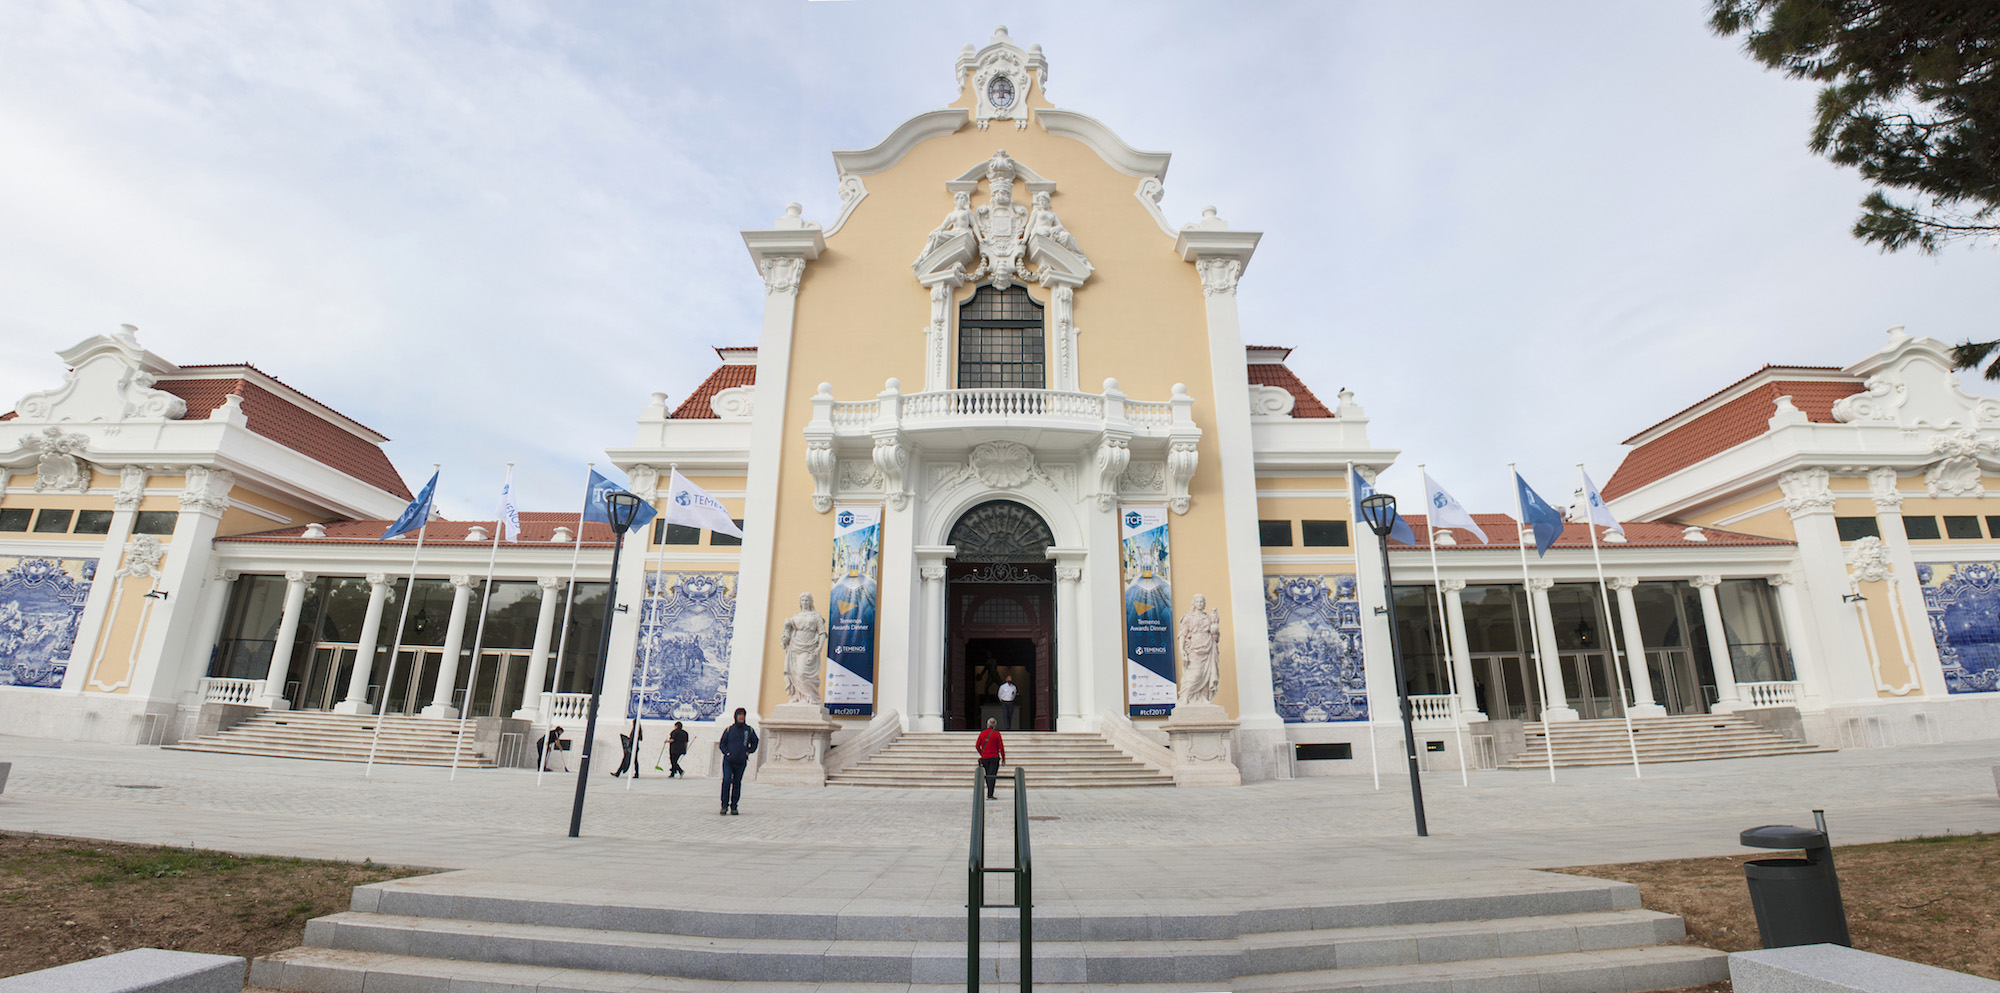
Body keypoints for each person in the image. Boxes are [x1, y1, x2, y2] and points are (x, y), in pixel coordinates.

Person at [717, 707, 758, 815]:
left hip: (741, 762)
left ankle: (734, 806)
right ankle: (724, 805)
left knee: (737, 783)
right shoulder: (729, 729)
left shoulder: (748, 730)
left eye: (743, 715)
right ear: (735, 716)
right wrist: (727, 753)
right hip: (729, 761)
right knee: (726, 781)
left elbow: (755, 742)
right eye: (739, 714)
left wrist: (749, 751)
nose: (741, 717)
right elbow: (722, 743)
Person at [975, 717, 1005, 800]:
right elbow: (1001, 747)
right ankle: (990, 794)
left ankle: (989, 793)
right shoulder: (997, 734)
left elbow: (977, 746)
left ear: (987, 725)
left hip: (985, 758)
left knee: (988, 775)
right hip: (994, 758)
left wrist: (982, 753)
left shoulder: (982, 733)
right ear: (994, 726)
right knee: (992, 775)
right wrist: (1003, 758)